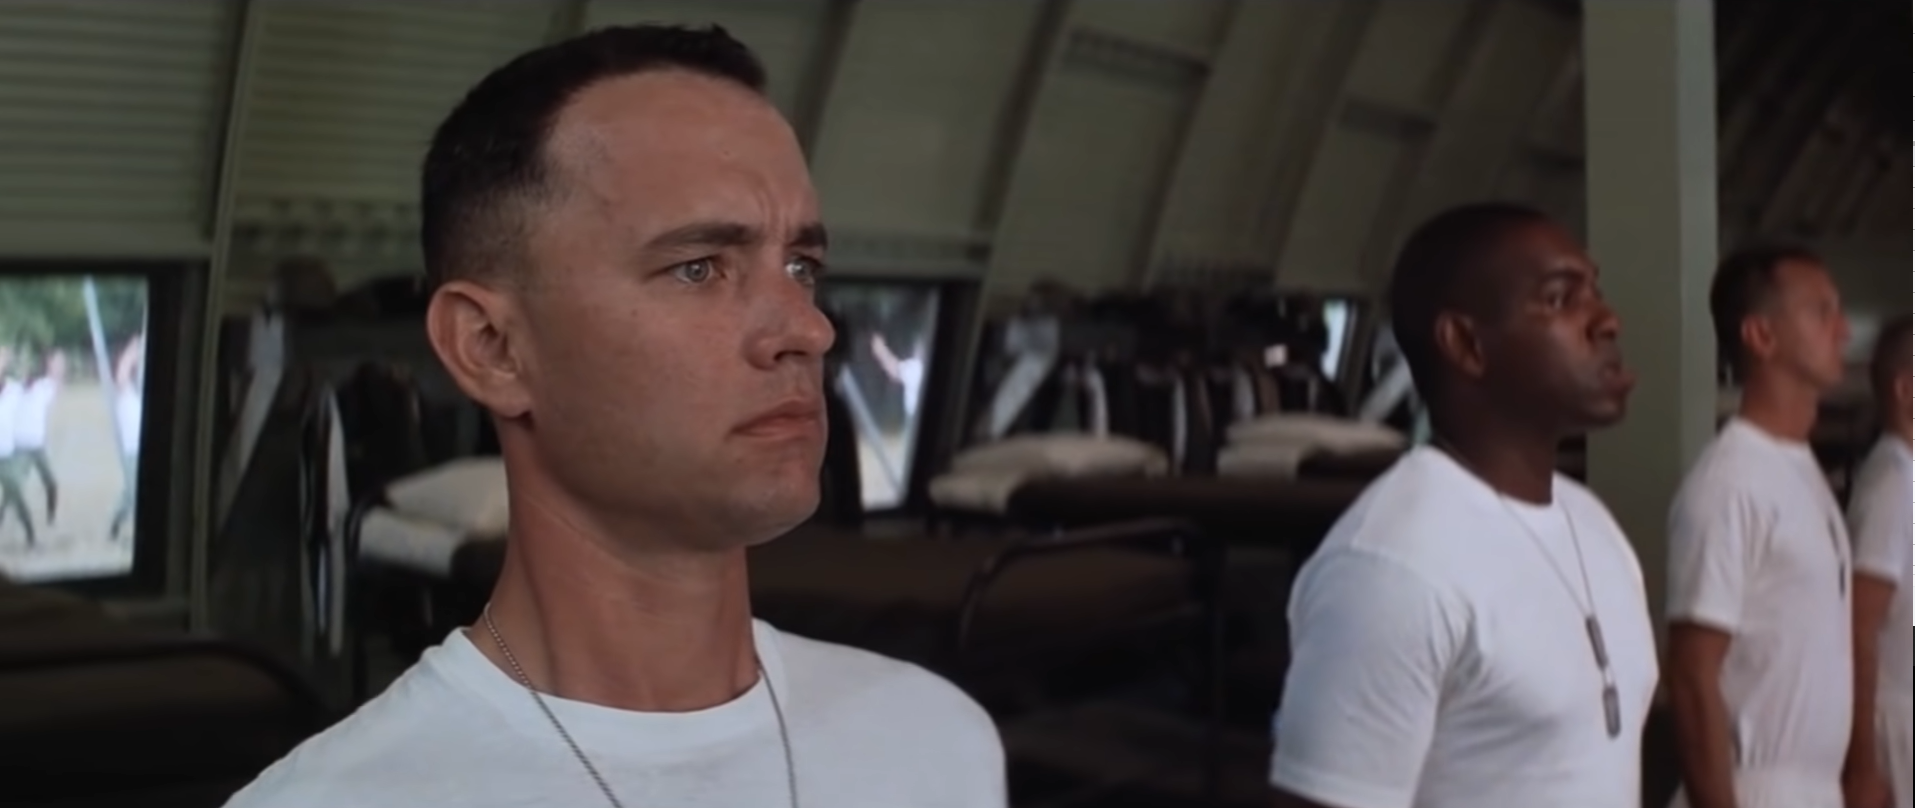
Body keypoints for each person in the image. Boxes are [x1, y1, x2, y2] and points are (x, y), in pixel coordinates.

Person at [221, 24, 1004, 808]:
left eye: (801, 266)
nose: (809, 329)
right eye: (697, 268)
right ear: (491, 348)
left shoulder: (936, 738)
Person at [1269, 202, 1659, 808]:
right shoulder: (1393, 568)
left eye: (1596, 292)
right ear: (1466, 343)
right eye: (1560, 299)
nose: (1607, 320)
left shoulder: (1591, 521)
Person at [1664, 245, 1854, 808]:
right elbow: (1692, 672)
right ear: (1761, 336)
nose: (1843, 331)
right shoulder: (1730, 481)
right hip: (1753, 786)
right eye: (1821, 312)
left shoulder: (1797, 468)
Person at [1841, 314, 1912, 808]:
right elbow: (1857, 627)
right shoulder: (1894, 486)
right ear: (1906, 390)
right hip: (1892, 732)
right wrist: (1863, 764)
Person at [15, 348, 65, 526]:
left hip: (37, 445)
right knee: (15, 486)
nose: (61, 366)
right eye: (57, 362)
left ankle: (51, 518)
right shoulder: (32, 383)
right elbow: (25, 382)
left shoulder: (48, 386)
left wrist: (57, 371)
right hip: (22, 444)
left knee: (51, 483)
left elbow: (56, 387)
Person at [108, 334, 144, 541]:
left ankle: (115, 524)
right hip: (130, 451)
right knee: (133, 492)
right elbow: (122, 371)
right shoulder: (123, 392)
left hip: (142, 449)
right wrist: (133, 348)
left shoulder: (137, 392)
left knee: (130, 493)